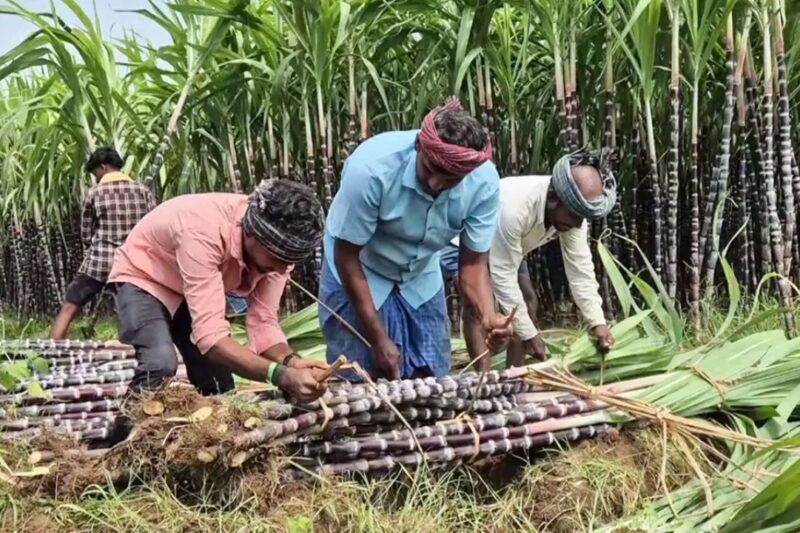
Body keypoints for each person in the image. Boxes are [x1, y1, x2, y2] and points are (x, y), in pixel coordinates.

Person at [320, 98, 513, 381]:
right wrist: (377, 338)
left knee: (432, 381)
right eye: (429, 169)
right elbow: (346, 257)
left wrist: (487, 317)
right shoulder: (372, 170)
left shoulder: (483, 183)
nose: (436, 184)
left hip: (420, 275)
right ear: (418, 147)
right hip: (360, 270)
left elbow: (472, 265)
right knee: (361, 379)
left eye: (450, 179)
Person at [107, 179, 329, 403]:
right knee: (159, 363)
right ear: (252, 234)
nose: (281, 269)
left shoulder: (279, 252)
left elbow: (264, 324)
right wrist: (280, 375)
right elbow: (211, 338)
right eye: (278, 259)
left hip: (188, 286)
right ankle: (122, 436)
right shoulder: (202, 230)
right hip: (143, 278)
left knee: (219, 382)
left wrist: (292, 362)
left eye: (290, 262)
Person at [454, 149, 617, 371]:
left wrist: (598, 323)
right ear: (552, 198)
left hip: (509, 246)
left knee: (528, 301)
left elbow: (580, 270)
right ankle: (483, 379)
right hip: (465, 240)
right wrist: (530, 335)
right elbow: (503, 277)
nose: (578, 225)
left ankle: (516, 376)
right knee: (477, 306)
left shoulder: (574, 213)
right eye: (575, 217)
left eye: (582, 218)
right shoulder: (514, 209)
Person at [50, 147, 156, 340]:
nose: (96, 178)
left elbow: (86, 232)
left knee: (70, 304)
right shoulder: (143, 191)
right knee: (132, 311)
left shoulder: (95, 193)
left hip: (101, 260)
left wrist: (96, 247)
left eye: (95, 173)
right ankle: (138, 353)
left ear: (103, 167)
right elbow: (152, 228)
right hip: (133, 262)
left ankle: (51, 350)